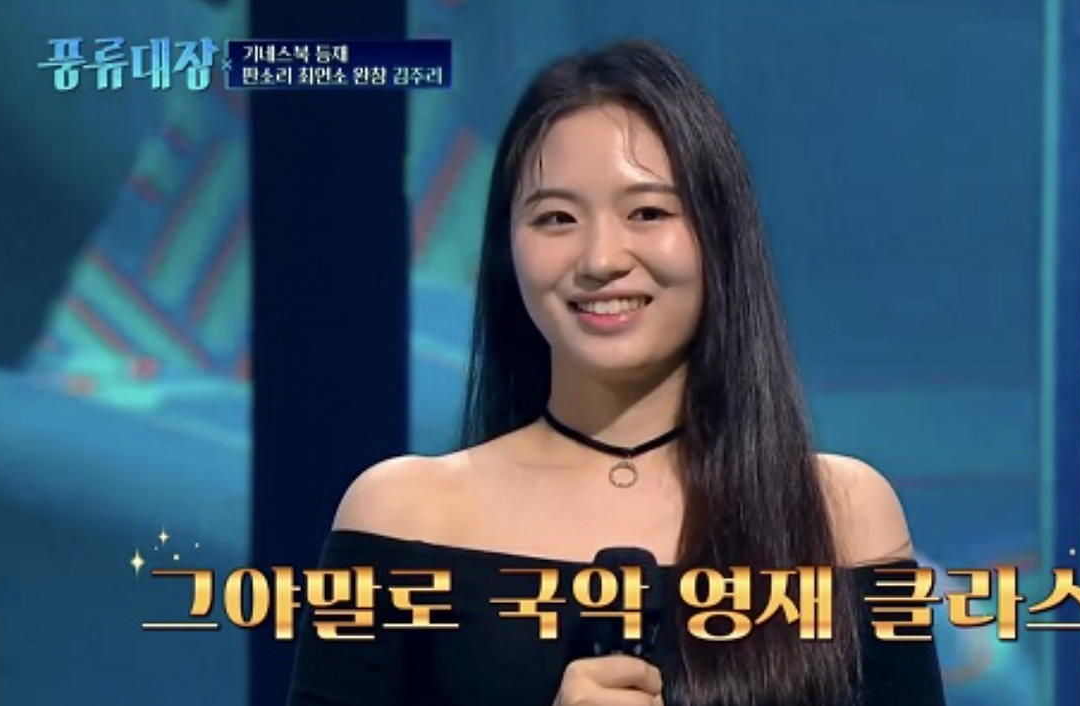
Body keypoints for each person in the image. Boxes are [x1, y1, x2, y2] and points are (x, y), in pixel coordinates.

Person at [287, 38, 946, 706]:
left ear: (718, 236)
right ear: (506, 250)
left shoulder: (842, 516)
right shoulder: (404, 515)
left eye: (647, 213)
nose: (601, 258)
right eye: (556, 218)